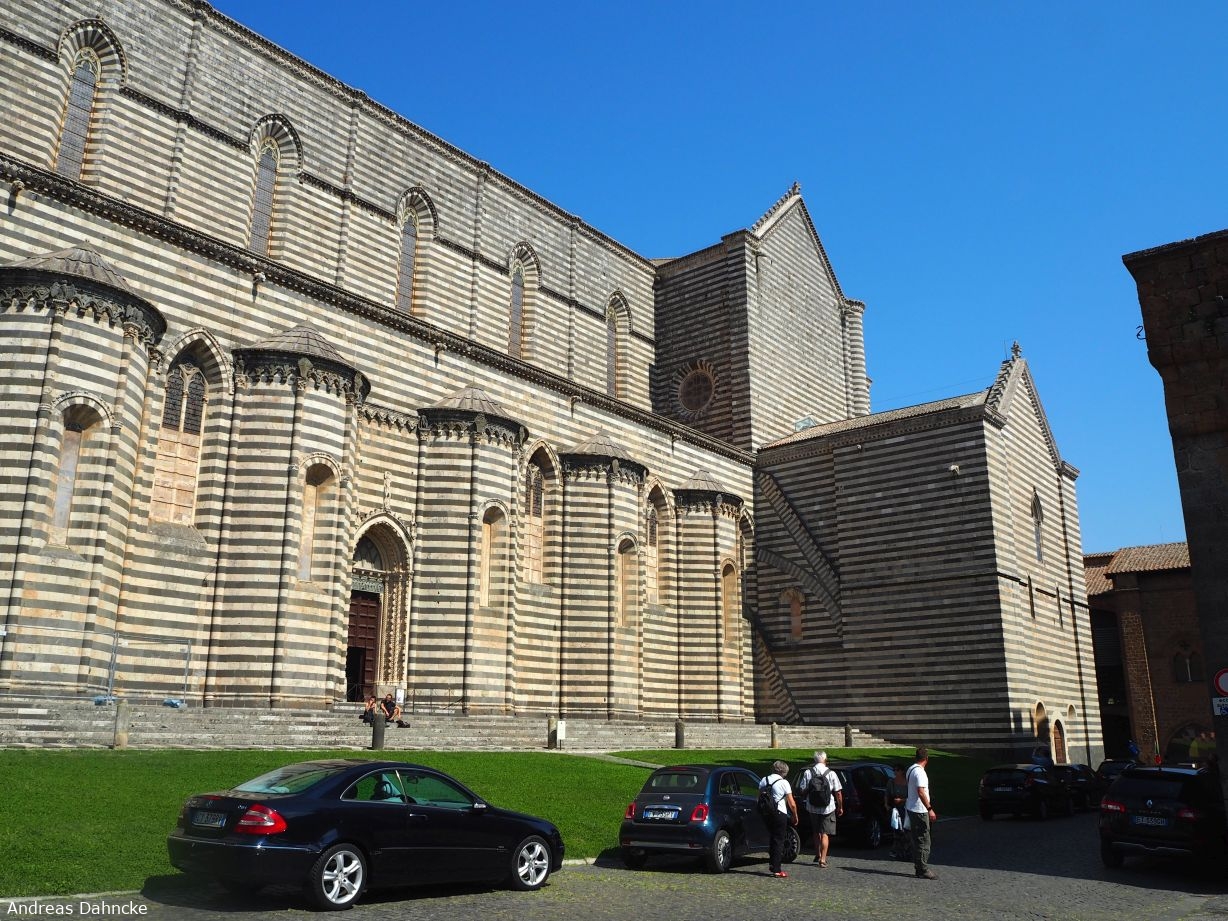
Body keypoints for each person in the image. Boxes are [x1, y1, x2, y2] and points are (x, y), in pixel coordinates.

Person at [798, 750, 843, 868]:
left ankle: (817, 854)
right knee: (825, 834)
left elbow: (802, 790)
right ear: (825, 760)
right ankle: (823, 860)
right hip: (828, 807)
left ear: (814, 760)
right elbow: (838, 792)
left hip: (812, 806)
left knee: (816, 831)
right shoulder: (831, 773)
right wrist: (840, 806)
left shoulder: (808, 772)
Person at [759, 759, 798, 878]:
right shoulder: (784, 783)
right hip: (779, 813)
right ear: (783, 772)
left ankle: (772, 863)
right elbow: (792, 803)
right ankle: (776, 868)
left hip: (766, 813)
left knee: (772, 838)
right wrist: (795, 815)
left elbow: (759, 797)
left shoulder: (764, 780)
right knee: (778, 840)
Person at [906, 746, 938, 880]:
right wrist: (930, 809)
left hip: (911, 807)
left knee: (917, 839)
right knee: (924, 840)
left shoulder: (910, 769)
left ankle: (919, 867)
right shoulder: (920, 773)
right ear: (927, 759)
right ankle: (922, 869)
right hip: (920, 810)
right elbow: (921, 792)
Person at [889, 762, 911, 860]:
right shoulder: (891, 782)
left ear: (902, 771)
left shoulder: (908, 783)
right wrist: (886, 805)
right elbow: (887, 794)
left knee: (906, 832)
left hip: (906, 809)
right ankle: (897, 852)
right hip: (895, 810)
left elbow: (911, 797)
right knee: (897, 831)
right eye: (894, 770)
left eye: (897, 770)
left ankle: (906, 852)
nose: (895, 772)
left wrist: (901, 800)